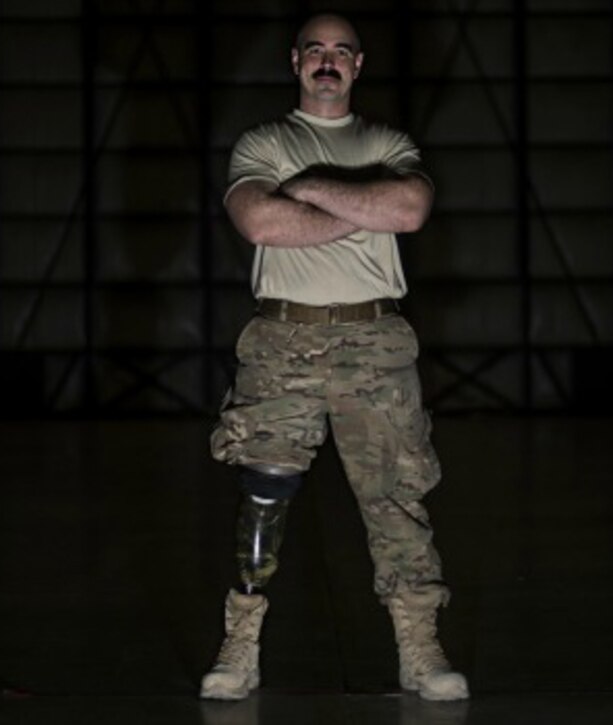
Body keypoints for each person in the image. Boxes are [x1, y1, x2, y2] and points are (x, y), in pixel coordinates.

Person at [200, 13, 468, 702]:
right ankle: (241, 643)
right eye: (315, 50)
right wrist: (363, 205)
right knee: (264, 499)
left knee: (395, 501)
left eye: (340, 52)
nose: (327, 61)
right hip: (282, 344)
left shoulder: (388, 140)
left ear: (358, 64)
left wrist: (312, 187)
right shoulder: (264, 141)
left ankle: (420, 648)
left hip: (373, 343)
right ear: (295, 60)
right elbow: (260, 221)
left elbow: (409, 208)